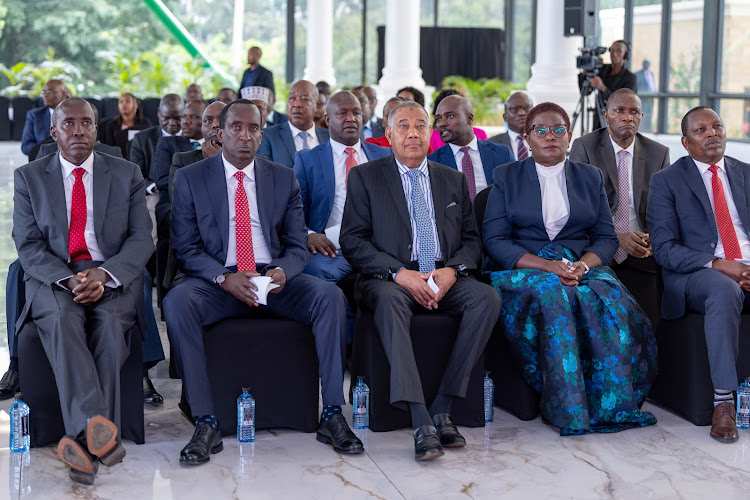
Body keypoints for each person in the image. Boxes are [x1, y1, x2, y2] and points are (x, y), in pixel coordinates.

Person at [165, 100, 362, 465]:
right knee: (177, 302)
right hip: (219, 281)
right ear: (219, 133)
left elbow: (296, 243)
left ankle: (333, 412)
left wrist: (283, 271)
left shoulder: (282, 177)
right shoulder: (192, 178)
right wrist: (224, 278)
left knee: (329, 297)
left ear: (261, 132)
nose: (245, 135)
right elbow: (186, 248)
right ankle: (206, 421)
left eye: (253, 128)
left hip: (272, 280)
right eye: (236, 128)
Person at [482, 102, 657, 436]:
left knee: (614, 302)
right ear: (528, 139)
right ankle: (567, 408)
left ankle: (611, 403)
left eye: (558, 129)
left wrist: (582, 265)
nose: (551, 136)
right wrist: (549, 266)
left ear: (569, 136)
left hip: (579, 263)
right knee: (555, 295)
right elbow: (496, 240)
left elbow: (605, 238)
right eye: (541, 130)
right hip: (523, 267)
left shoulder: (589, 176)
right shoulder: (508, 175)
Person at [340, 101, 501, 461]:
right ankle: (419, 418)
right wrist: (400, 273)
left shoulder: (452, 179)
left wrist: (451, 272)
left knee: (486, 299)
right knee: (392, 300)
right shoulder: (366, 177)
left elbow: (473, 241)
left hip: (443, 274)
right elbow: (352, 240)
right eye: (403, 126)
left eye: (420, 126)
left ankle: (443, 405)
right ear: (389, 135)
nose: (413, 133)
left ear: (430, 133)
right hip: (389, 276)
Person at [12, 98, 154, 484]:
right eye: (68, 124)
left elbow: (142, 240)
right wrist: (70, 279)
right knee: (62, 317)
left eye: (86, 123)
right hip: (53, 277)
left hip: (111, 273)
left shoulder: (126, 173)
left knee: (109, 325)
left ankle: (81, 441)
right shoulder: (30, 177)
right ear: (54, 131)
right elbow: (28, 245)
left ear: (96, 128)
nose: (78, 131)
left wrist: (104, 275)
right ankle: (98, 434)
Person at [647, 106, 750, 443]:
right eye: (701, 130)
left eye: (717, 126)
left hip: (745, 263)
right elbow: (664, 250)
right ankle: (723, 403)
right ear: (686, 142)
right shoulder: (666, 181)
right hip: (697, 272)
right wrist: (723, 265)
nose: (712, 134)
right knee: (724, 289)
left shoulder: (746, 174)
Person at [569, 88, 670, 325]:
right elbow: (577, 208)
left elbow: (664, 208)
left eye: (634, 112)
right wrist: (616, 237)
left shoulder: (658, 153)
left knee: (648, 319)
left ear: (641, 117)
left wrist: (655, 238)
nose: (628, 117)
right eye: (620, 111)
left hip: (643, 250)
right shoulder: (585, 147)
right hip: (596, 249)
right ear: (606, 115)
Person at [294, 91, 390, 284]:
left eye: (356, 113)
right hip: (331, 249)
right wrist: (309, 234)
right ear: (327, 120)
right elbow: (293, 210)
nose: (351, 119)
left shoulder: (384, 156)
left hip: (378, 246)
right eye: (342, 113)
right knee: (318, 277)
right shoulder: (308, 159)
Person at [428, 95, 513, 199]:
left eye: (450, 116)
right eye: (438, 119)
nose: (442, 123)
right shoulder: (432, 162)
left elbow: (515, 194)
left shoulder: (502, 154)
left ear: (469, 118)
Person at [152, 100, 208, 231]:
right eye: (184, 116)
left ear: (208, 120)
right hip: (174, 202)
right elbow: (161, 179)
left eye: (193, 117)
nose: (186, 121)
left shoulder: (218, 145)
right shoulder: (168, 143)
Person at [257, 80, 330, 168]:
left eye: (304, 99)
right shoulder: (268, 136)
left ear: (316, 106)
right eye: (292, 98)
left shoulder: (328, 137)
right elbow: (265, 174)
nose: (297, 104)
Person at [21, 79, 69, 156]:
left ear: (63, 94)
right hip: (41, 160)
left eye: (49, 92)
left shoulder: (75, 114)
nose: (45, 95)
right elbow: (26, 146)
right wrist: (47, 152)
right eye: (43, 92)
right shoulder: (34, 115)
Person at [99, 93, 152, 158]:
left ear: (136, 105)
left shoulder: (145, 124)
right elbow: (109, 147)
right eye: (121, 102)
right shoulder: (112, 124)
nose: (124, 104)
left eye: (127, 101)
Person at [488, 91, 533, 161]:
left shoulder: (544, 141)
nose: (521, 113)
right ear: (505, 117)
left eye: (526, 107)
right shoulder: (491, 145)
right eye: (514, 108)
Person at [635, 59, 656, 133]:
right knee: (643, 115)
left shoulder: (651, 73)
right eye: (646, 63)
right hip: (643, 99)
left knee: (649, 115)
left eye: (648, 63)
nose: (647, 65)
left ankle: (648, 129)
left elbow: (652, 85)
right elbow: (638, 87)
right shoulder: (638, 74)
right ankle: (642, 130)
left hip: (651, 99)